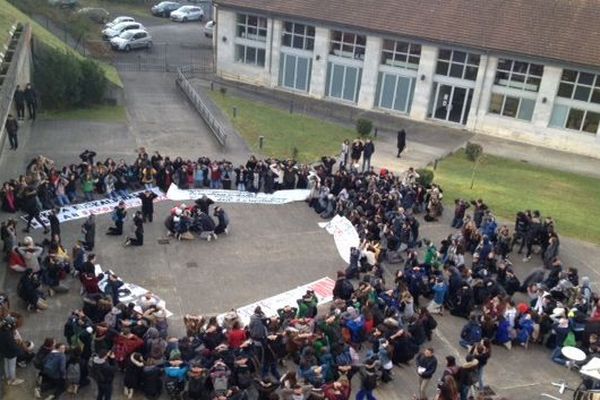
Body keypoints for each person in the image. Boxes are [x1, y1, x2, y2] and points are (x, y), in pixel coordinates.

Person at [0, 315, 24, 386]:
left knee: (6, 365)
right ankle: (13, 380)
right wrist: (19, 348)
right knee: (12, 366)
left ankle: (7, 378)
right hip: (11, 353)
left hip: (3, 351)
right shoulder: (8, 334)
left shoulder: (2, 331)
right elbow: (13, 346)